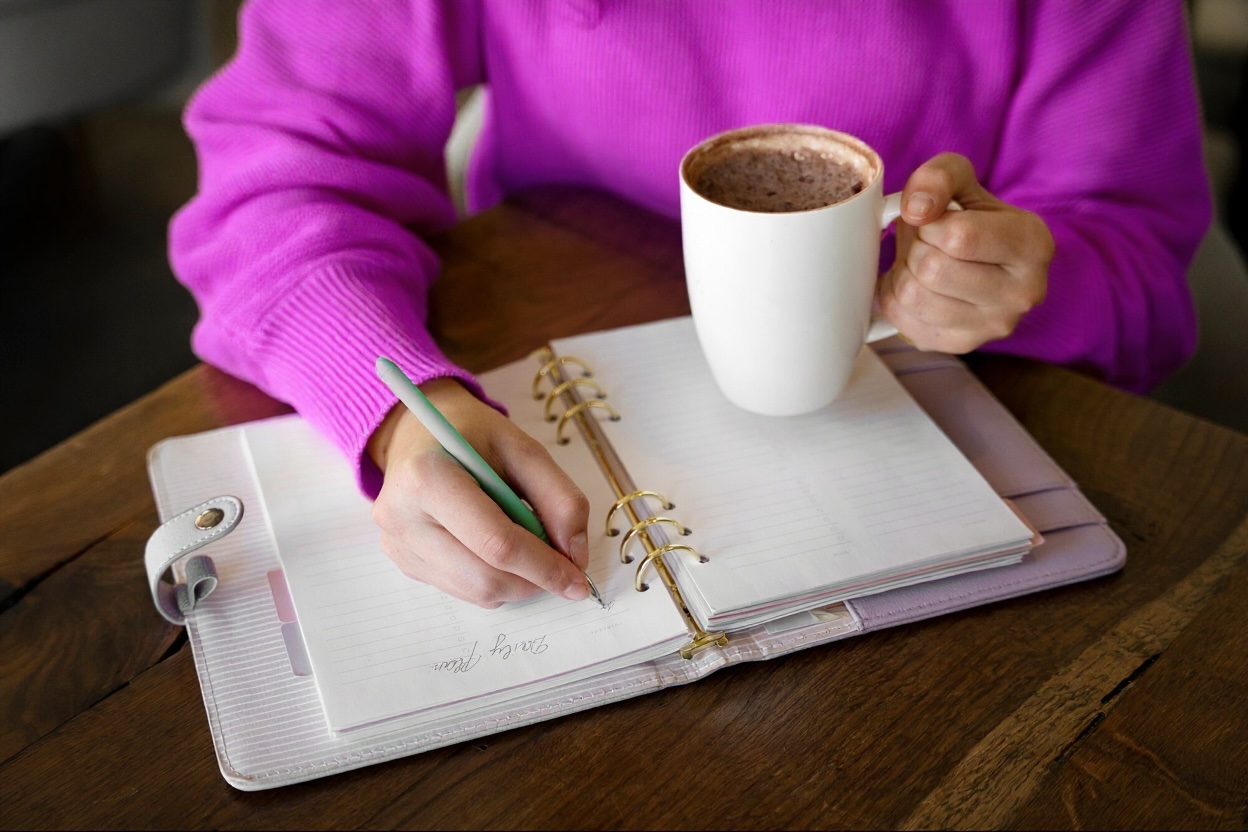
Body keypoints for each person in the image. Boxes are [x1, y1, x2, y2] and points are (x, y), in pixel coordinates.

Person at [170, 1, 1211, 608]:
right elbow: (277, 173)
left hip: (949, 470)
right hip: (551, 361)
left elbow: (1145, 266)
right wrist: (395, 411)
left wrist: (1031, 274)